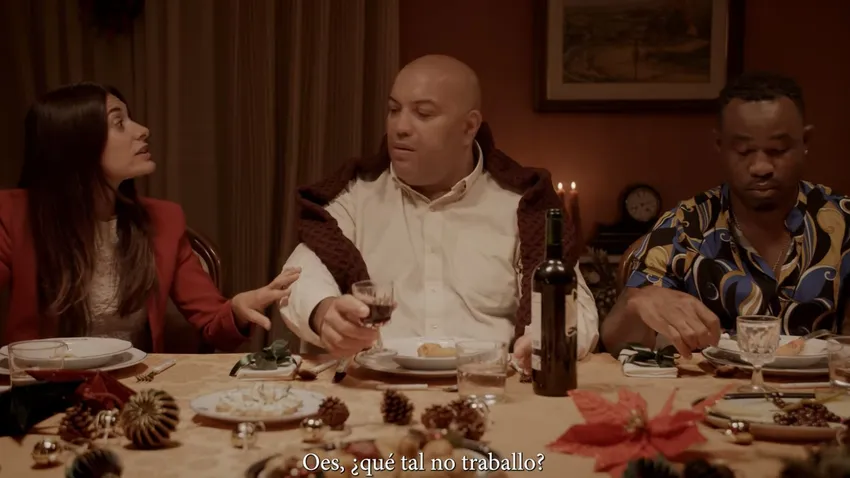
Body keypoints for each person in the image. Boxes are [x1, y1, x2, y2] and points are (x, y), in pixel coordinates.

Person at [279, 55, 599, 364]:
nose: (400, 127)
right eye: (393, 110)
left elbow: (577, 311)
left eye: (423, 114)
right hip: (377, 387)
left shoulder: (523, 207)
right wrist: (324, 312)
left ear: (468, 127)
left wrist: (547, 337)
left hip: (491, 386)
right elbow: (299, 277)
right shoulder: (354, 196)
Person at [0, 82, 300, 352]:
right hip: (41, 388)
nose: (142, 130)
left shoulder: (164, 219)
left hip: (132, 387)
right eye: (119, 123)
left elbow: (212, 323)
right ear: (74, 142)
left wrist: (237, 308)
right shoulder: (12, 214)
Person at [601, 71, 850, 358]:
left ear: (805, 141)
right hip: (712, 385)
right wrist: (637, 301)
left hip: (823, 385)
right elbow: (615, 341)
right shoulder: (686, 225)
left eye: (777, 150)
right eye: (744, 151)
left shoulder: (843, 221)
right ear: (720, 146)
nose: (760, 167)